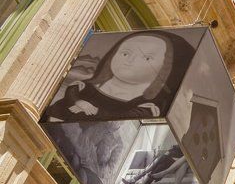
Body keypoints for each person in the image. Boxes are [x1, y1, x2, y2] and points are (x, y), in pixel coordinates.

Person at [44, 30, 194, 122]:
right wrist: (78, 101)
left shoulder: (146, 106)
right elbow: (72, 91)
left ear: (166, 68)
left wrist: (94, 110)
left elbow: (122, 118)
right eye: (125, 53)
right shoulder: (89, 85)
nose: (130, 60)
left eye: (147, 58)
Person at [122, 144, 190, 184]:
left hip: (182, 162)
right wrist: (169, 152)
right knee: (159, 164)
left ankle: (138, 183)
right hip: (170, 161)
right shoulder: (182, 143)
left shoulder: (192, 146)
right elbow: (172, 150)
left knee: (162, 163)